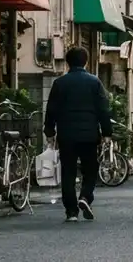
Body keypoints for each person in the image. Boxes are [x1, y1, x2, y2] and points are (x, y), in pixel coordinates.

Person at [42, 45, 112, 222]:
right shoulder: (94, 82)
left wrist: (49, 131)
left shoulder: (60, 83)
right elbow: (103, 109)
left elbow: (51, 110)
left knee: (68, 172)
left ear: (67, 62)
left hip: (66, 135)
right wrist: (107, 133)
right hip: (89, 135)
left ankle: (71, 211)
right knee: (90, 170)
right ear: (86, 62)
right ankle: (85, 197)